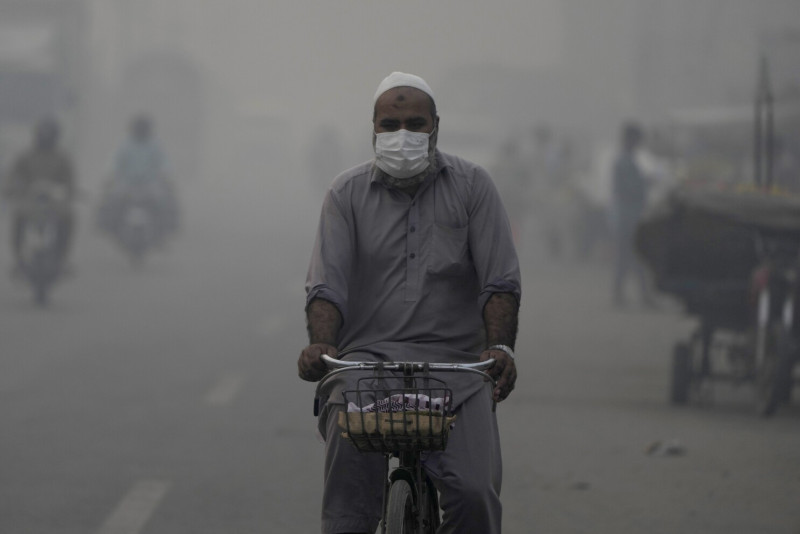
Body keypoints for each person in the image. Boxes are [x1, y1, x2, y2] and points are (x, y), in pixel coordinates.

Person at [297, 72, 521, 534]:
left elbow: (499, 282)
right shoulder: (346, 193)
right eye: (390, 123)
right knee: (347, 504)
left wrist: (500, 348)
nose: (403, 135)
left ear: (436, 126)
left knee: (476, 496)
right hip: (364, 366)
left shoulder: (474, 186)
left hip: (457, 369)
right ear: (373, 129)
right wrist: (321, 345)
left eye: (415, 123)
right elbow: (326, 286)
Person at [2, 118, 76, 272]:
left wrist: (69, 191)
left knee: (69, 218)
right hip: (30, 203)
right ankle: (19, 257)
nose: (45, 138)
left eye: (49, 135)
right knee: (18, 218)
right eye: (43, 135)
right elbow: (14, 176)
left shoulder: (62, 158)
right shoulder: (25, 156)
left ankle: (61, 257)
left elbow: (69, 181)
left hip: (54, 204)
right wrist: (13, 188)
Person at [99, 114, 178, 237]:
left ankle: (164, 229)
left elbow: (164, 163)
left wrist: (166, 176)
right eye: (138, 128)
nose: (140, 131)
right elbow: (114, 162)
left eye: (143, 128)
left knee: (163, 201)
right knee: (113, 200)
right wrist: (110, 176)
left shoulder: (155, 145)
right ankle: (108, 226)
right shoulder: (125, 145)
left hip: (150, 183)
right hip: (127, 182)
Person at [611, 121, 654, 307]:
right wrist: (646, 183)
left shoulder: (626, 160)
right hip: (628, 216)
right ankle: (637, 296)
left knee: (630, 258)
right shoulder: (624, 162)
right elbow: (629, 189)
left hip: (628, 216)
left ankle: (626, 295)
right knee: (633, 257)